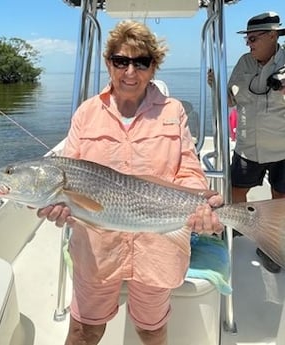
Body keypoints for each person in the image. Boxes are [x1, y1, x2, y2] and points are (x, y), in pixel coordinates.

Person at [39, 20, 223, 345]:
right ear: (109, 63)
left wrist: (201, 204)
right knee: (83, 331)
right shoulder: (86, 114)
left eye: (141, 62)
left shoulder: (173, 111)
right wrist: (59, 208)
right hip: (97, 250)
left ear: (154, 68)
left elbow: (189, 172)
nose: (130, 72)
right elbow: (68, 171)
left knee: (152, 331)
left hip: (159, 245)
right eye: (121, 61)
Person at [208, 11, 285, 273]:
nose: (249, 44)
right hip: (247, 147)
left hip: (282, 148)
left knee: (280, 201)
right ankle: (237, 228)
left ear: (273, 36)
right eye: (247, 39)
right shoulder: (244, 63)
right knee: (236, 192)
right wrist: (216, 86)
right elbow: (230, 99)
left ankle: (271, 246)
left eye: (253, 39)